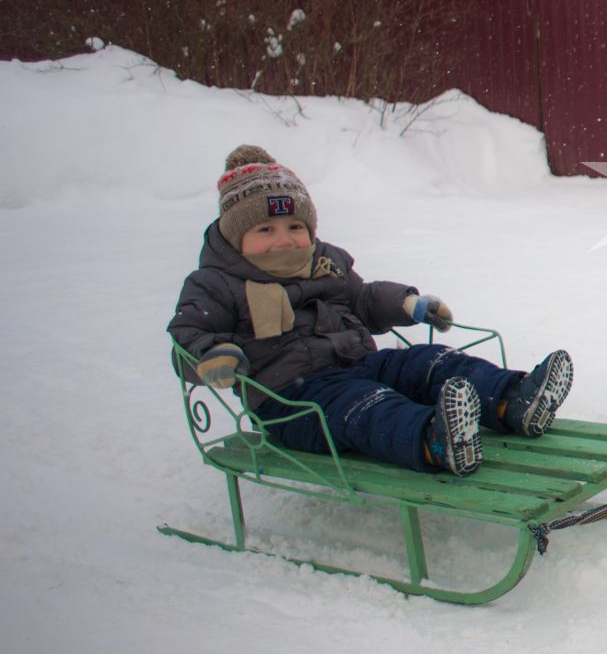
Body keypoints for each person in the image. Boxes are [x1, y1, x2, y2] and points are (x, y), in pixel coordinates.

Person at [169, 145, 574, 477]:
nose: (285, 241)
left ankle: (512, 400)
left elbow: (362, 300)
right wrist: (213, 358)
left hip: (359, 362)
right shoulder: (217, 283)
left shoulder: (326, 264)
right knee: (364, 402)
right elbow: (189, 336)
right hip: (291, 402)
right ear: (235, 237)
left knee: (424, 360)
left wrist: (408, 303)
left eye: (296, 227)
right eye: (265, 230)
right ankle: (434, 441)